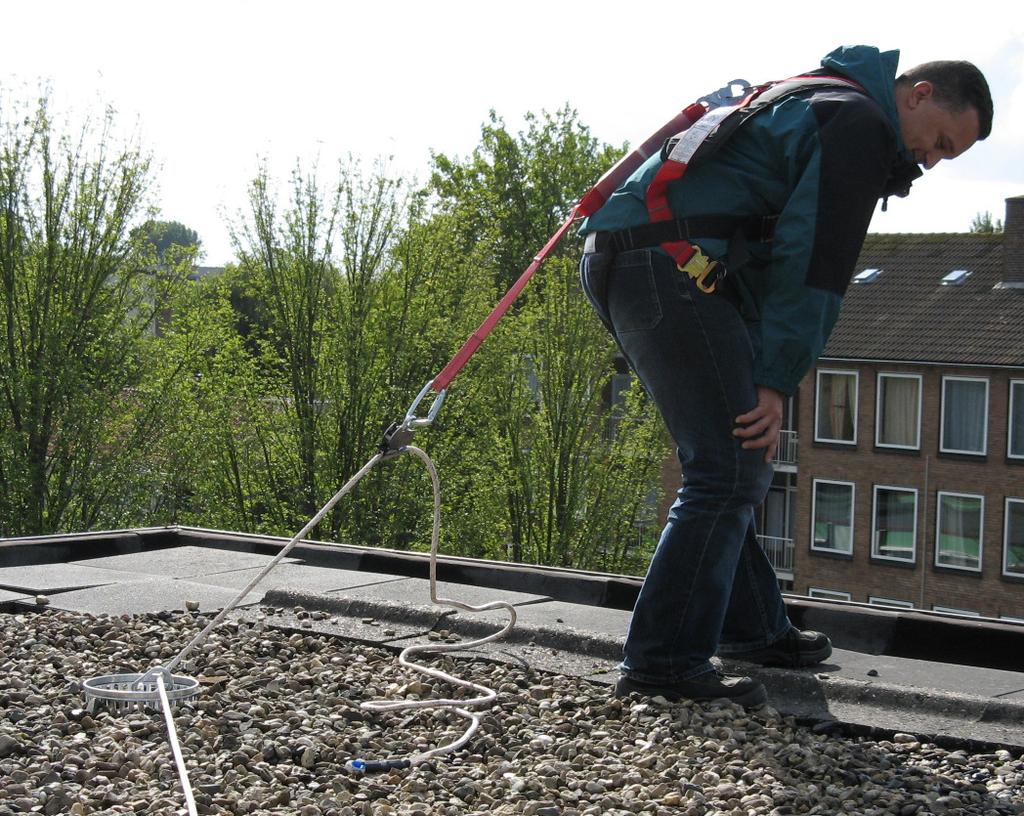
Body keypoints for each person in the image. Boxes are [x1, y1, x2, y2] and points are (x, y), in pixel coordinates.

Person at [579, 45, 993, 707]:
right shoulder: (856, 123)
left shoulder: (817, 97)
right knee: (728, 468)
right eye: (940, 140)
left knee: (731, 456)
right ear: (916, 93)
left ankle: (752, 628)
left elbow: (761, 240)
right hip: (663, 264)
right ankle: (662, 665)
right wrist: (775, 378)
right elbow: (814, 262)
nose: (934, 160)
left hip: (637, 258)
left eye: (951, 156)